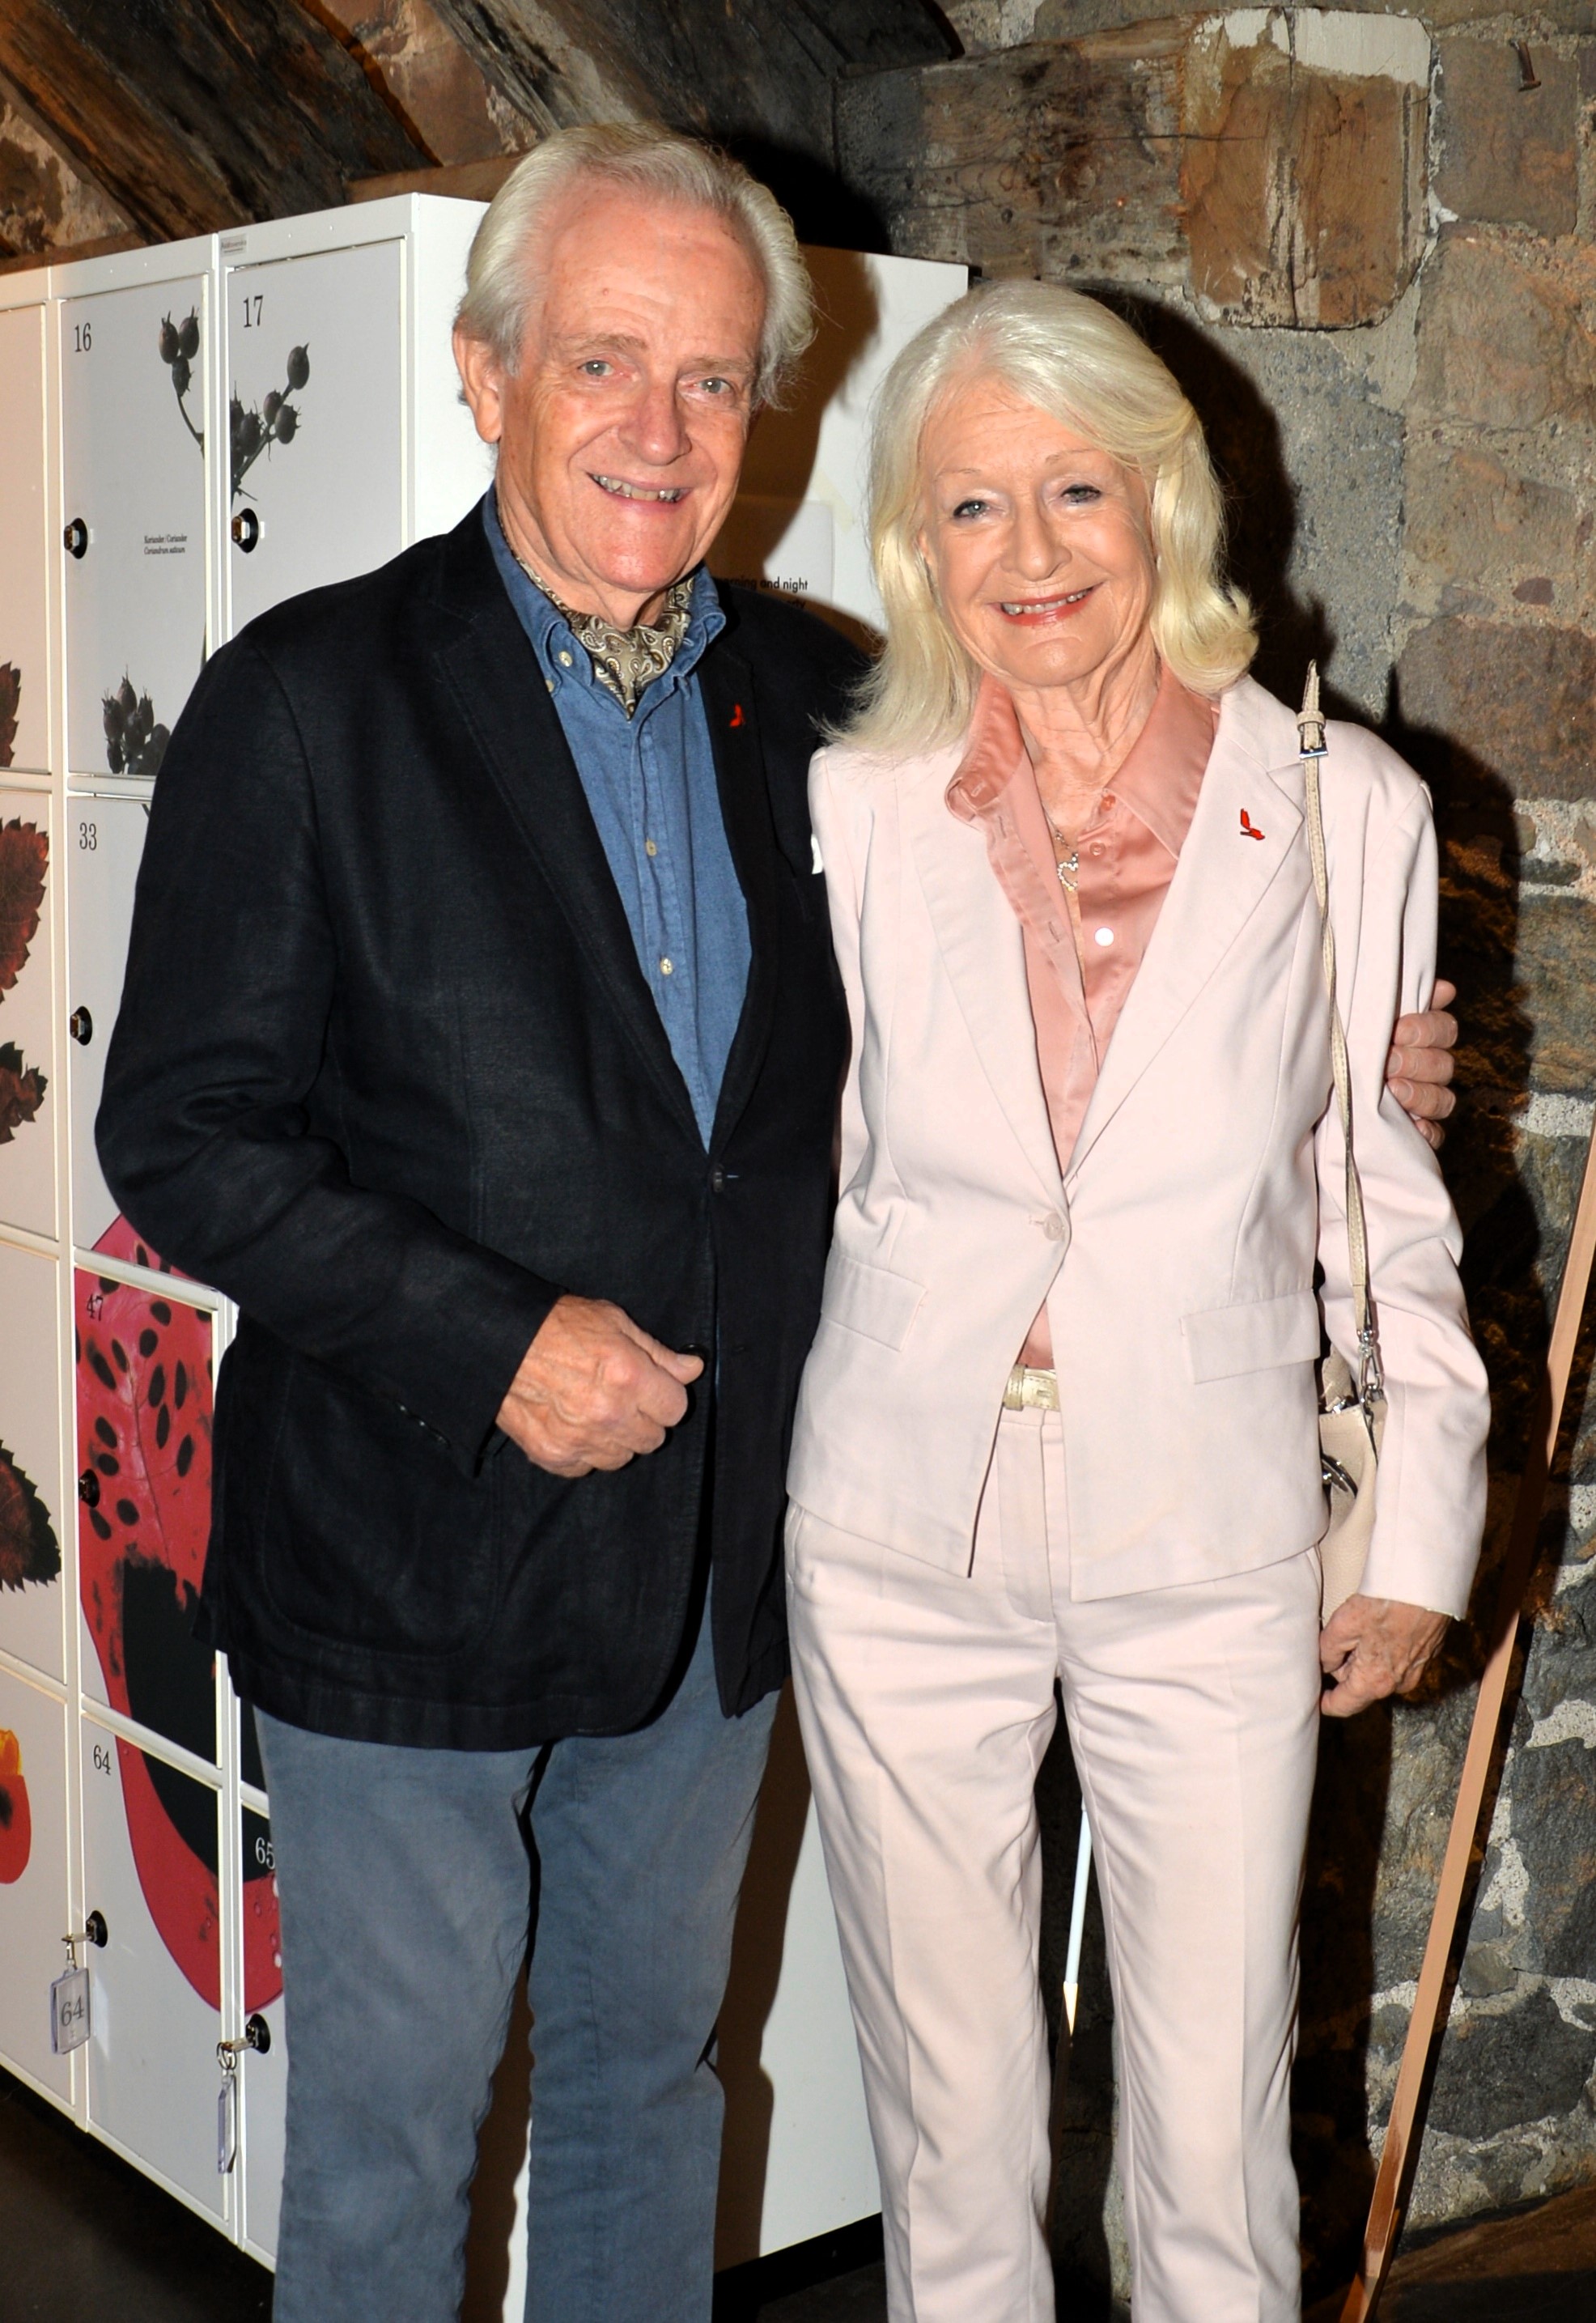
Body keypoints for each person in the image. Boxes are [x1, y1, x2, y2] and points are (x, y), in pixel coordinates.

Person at [96, 131, 1458, 2323]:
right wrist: (493, 1338)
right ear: (486, 372)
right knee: (391, 2139)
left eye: (712, 377)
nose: (658, 426)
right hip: (410, 1558)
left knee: (649, 2089)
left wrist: (1362, 1050)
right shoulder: (310, 698)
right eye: (601, 362)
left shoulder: (828, 716)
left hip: (713, 1563)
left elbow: (1067, 999)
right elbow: (182, 1129)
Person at [783, 279, 1491, 2323]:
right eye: (969, 507)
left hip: (1209, 1520)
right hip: (900, 1525)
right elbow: (789, 1133)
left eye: (1072, 489)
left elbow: (1378, 1199)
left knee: (1210, 2120)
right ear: (916, 546)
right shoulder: (852, 800)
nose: (1027, 552)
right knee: (945, 2126)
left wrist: (1416, 1528)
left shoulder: (1340, 804)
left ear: (1162, 499)